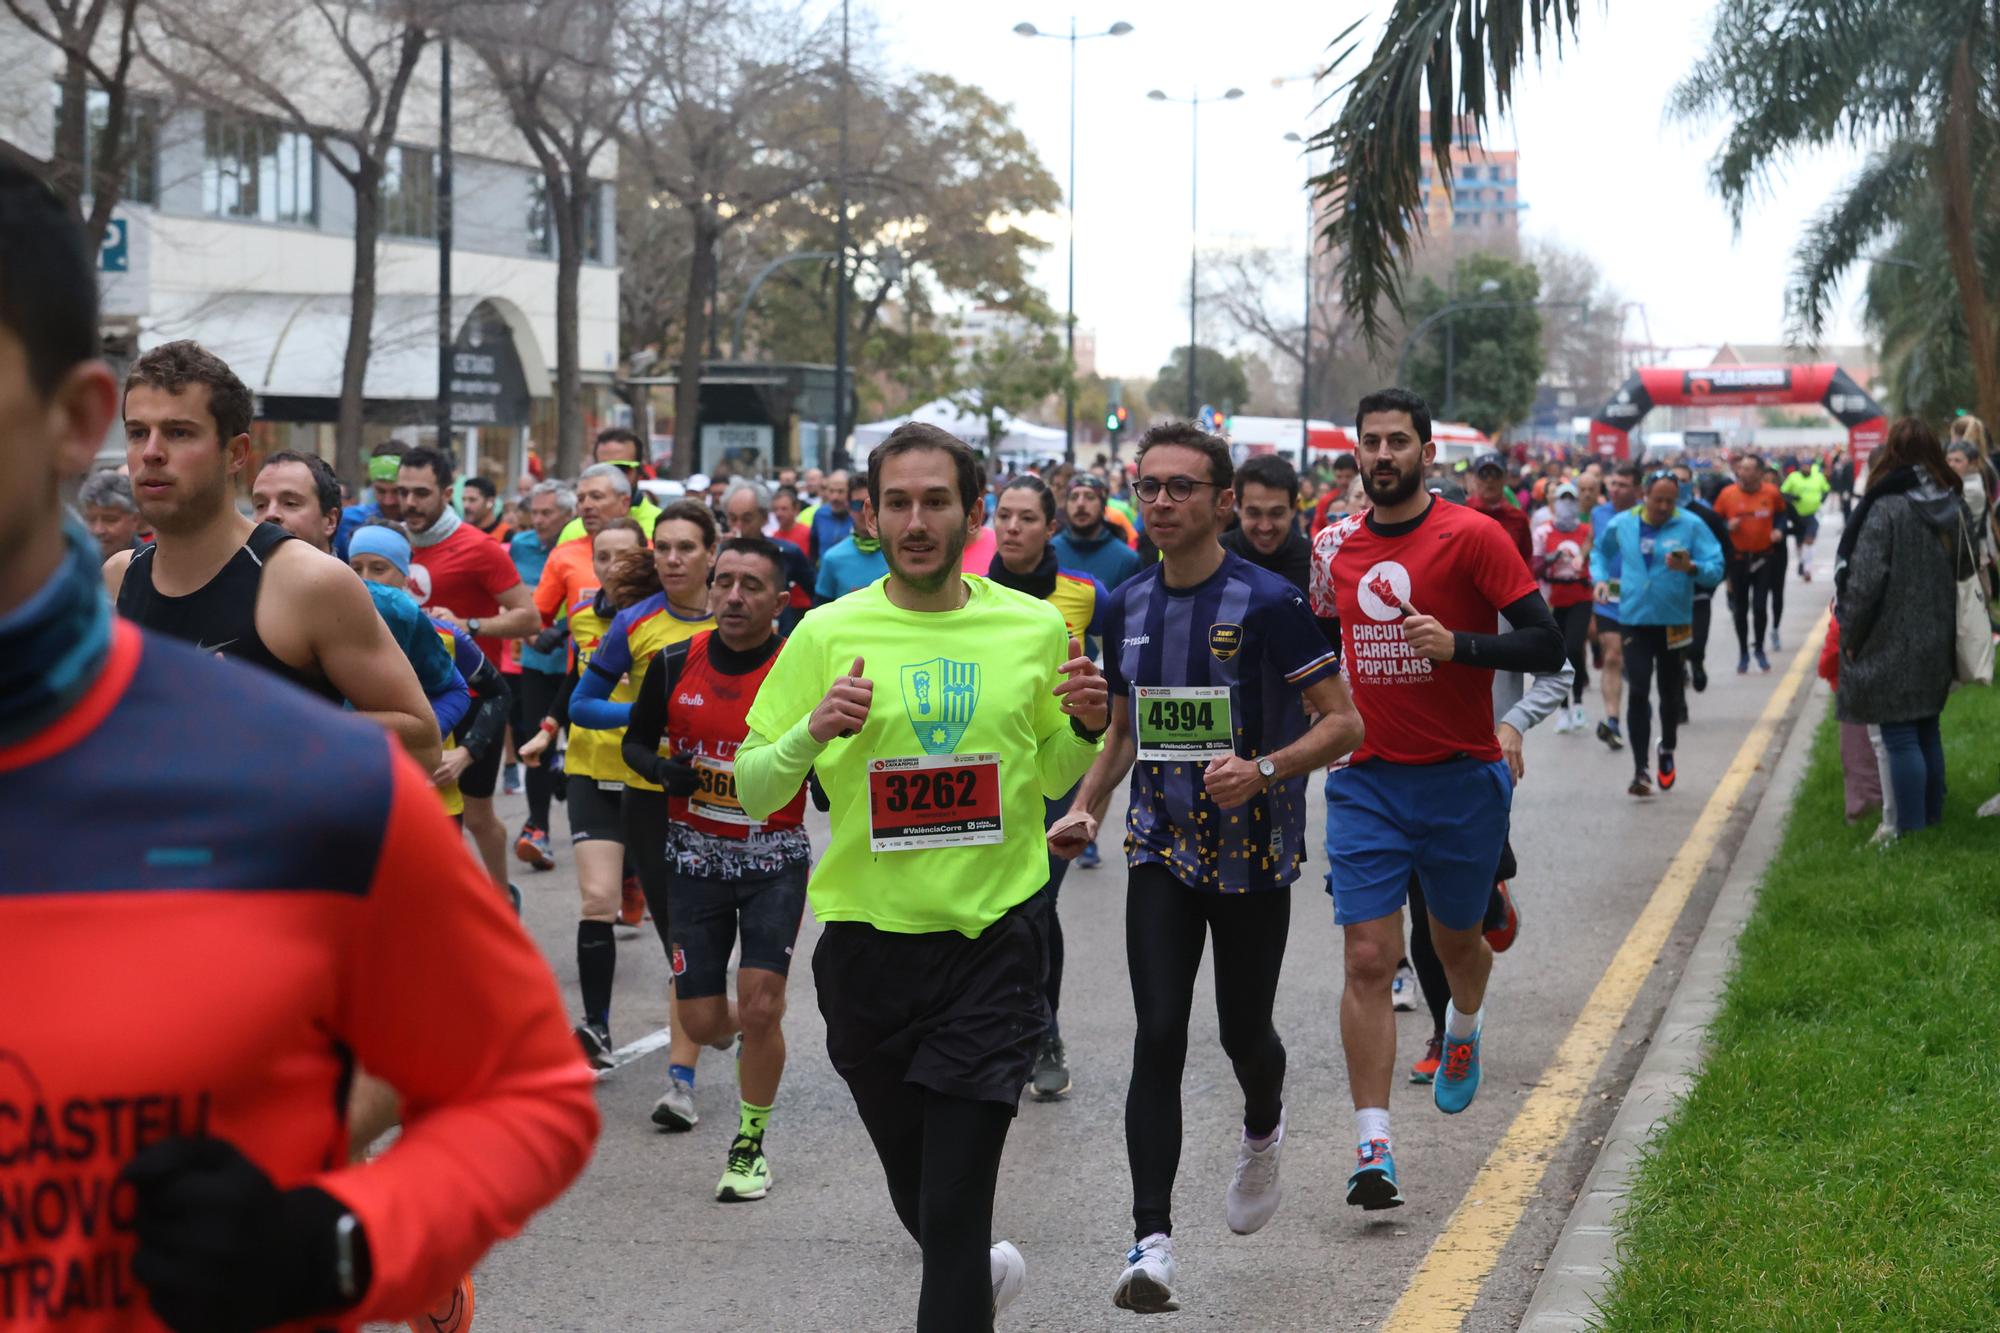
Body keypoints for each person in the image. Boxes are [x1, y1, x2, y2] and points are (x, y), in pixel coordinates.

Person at [0, 154, 596, 1333]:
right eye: (148, 432)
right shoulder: (127, 577)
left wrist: (341, 1245)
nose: (159, 452)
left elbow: (527, 1087)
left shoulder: (303, 746)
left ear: (68, 424)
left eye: (182, 432)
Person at [735, 422, 1108, 1331]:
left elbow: (1053, 769)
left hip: (992, 949)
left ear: (972, 513)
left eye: (935, 500)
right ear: (869, 516)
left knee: (951, 1218)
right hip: (868, 955)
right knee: (926, 1204)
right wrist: (812, 729)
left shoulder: (1030, 627)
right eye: (897, 501)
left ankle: (962, 1272)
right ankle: (974, 1271)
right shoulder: (827, 631)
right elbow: (754, 787)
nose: (916, 519)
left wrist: (1088, 727)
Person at [1047, 423, 1360, 1314]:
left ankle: (1264, 1120)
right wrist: (1086, 808)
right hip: (1161, 847)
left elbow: (1343, 724)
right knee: (1157, 1033)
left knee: (1242, 1035)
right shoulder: (1126, 603)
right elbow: (1124, 730)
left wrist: (1262, 767)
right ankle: (1151, 1243)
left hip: (1254, 853)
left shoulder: (1268, 601)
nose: (1161, 502)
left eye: (1182, 487)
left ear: (1223, 502)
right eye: (1148, 486)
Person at [1309, 387, 1564, 1210]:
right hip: (1365, 779)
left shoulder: (1474, 535)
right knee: (1367, 958)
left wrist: (1463, 646)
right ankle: (1373, 1145)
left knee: (1458, 947)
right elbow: (1316, 645)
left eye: (1398, 442)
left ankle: (1462, 1029)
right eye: (1370, 441)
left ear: (1426, 451)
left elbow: (1547, 642)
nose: (1383, 455)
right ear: (1357, 452)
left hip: (1462, 776)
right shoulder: (1331, 545)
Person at [105, 340, 440, 772]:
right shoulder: (118, 578)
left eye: (178, 432)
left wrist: (261, 721)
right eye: (137, 432)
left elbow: (422, 744)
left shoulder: (305, 580)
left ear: (236, 453)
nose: (151, 451)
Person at [620, 537, 811, 1201]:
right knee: (703, 1022)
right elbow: (635, 742)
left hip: (773, 860)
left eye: (751, 585)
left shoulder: (798, 669)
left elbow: (830, 750)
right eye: (724, 581)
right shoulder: (674, 663)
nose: (733, 595)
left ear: (781, 601)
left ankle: (750, 1142)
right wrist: (658, 769)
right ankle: (746, 1033)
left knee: (761, 1004)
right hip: (693, 858)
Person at [566, 499, 722, 1124]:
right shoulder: (635, 622)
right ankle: (683, 1062)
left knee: (706, 947)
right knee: (677, 939)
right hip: (652, 795)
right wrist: (646, 718)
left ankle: (693, 1052)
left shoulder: (741, 619)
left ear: (713, 553)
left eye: (688, 547)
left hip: (728, 801)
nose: (675, 559)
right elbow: (582, 703)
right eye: (664, 548)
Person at [517, 519, 659, 1067]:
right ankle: (596, 1026)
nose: (610, 566)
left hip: (651, 772)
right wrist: (548, 730)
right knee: (596, 900)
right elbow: (578, 679)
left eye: (622, 556)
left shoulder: (670, 621)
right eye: (601, 556)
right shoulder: (581, 617)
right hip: (589, 768)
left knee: (679, 913)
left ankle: (705, 1008)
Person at [989, 473, 1113, 1100]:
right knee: (992, 906)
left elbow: (1119, 683)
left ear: (1050, 527)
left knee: (1036, 901)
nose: (1012, 528)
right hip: (988, 772)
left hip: (1058, 769)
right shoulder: (970, 593)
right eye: (1003, 516)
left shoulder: (1087, 594)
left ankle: (1043, 1032)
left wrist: (1095, 785)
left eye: (1026, 518)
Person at [398, 445, 537, 888]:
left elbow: (528, 617)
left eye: (421, 493)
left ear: (446, 491)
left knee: (476, 813)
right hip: (409, 699)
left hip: (475, 699)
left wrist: (469, 625)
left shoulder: (479, 548)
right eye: (403, 492)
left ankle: (500, 900)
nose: (410, 503)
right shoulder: (391, 545)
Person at [1835, 417, 1976, 838]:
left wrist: (1851, 635)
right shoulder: (1953, 502)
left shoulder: (1885, 506)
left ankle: (1912, 832)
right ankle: (1930, 820)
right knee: (1926, 727)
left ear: (1892, 452)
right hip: (1939, 630)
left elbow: (1865, 581)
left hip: (1888, 635)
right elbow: (1968, 566)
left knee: (1899, 736)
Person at [1591, 469, 1725, 796]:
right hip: (1634, 618)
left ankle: (1667, 748)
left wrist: (1692, 567)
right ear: (1644, 496)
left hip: (1674, 620)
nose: (1664, 506)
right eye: (1658, 499)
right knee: (1638, 689)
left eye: (1670, 500)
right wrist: (1598, 578)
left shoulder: (1691, 525)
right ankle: (1640, 770)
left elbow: (1716, 566)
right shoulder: (1622, 523)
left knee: (1669, 693)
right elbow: (1599, 552)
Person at [509, 481, 575, 871]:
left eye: (547, 513)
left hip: (582, 664)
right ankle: (539, 828)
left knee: (578, 746)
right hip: (536, 661)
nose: (539, 520)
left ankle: (562, 772)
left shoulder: (583, 547)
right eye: (535, 512)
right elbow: (516, 596)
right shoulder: (521, 545)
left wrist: (562, 627)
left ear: (569, 516)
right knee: (534, 741)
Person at [536, 462, 639, 628]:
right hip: (584, 652)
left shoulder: (652, 552)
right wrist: (550, 636)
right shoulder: (563, 555)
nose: (586, 505)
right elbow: (536, 618)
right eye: (581, 499)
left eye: (596, 497)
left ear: (624, 503)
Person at [1532, 479, 1594, 732]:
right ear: (1555, 504)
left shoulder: (1586, 531)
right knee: (1560, 654)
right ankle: (1564, 709)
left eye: (1572, 500)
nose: (1567, 505)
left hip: (1580, 596)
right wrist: (1552, 558)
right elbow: (1534, 567)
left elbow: (1595, 558)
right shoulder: (1543, 532)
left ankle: (1578, 704)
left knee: (1575, 649)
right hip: (1552, 599)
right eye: (1562, 499)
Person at [1715, 454, 1784, 673]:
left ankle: (1760, 649)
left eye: (1748, 469)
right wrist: (1727, 525)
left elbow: (1782, 514)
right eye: (1741, 468)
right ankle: (1743, 651)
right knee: (1740, 608)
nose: (1743, 472)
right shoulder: (1727, 494)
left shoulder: (1771, 492)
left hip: (1764, 557)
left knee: (1761, 607)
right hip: (1738, 559)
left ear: (1759, 473)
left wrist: (1778, 529)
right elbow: (1715, 522)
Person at [1672, 460, 1734, 698]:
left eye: (1683, 481)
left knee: (1695, 645)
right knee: (1674, 652)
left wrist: (1716, 581)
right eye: (1673, 481)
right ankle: (1678, 702)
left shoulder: (1705, 516)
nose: (1678, 486)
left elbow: (1725, 551)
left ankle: (1697, 662)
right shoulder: (1658, 518)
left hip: (1699, 592)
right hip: (1669, 596)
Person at [1590, 462, 1638, 749]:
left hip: (1642, 599)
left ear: (1637, 489)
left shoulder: (1647, 515)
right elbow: (1594, 547)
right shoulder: (1599, 514)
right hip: (1609, 596)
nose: (1615, 490)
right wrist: (1598, 578)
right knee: (1612, 656)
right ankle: (1613, 721)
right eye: (1613, 484)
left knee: (1637, 664)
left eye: (1622, 485)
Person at [1221, 453, 1314, 596]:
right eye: (1254, 513)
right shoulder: (1214, 557)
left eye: (1276, 514)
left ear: (1293, 508)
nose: (1265, 527)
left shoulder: (1315, 563)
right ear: (1238, 507)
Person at [725, 479, 814, 612]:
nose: (738, 526)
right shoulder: (720, 555)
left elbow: (818, 595)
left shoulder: (785, 552)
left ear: (764, 517)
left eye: (747, 519)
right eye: (733, 518)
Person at [1053, 474, 1145, 590]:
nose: (1080, 504)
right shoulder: (1050, 552)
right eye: (1074, 497)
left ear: (1103, 506)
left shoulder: (1126, 560)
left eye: (1090, 497)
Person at [333, 443, 407, 560]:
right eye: (380, 491)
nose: (389, 501)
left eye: (397, 491)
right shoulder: (347, 521)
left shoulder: (420, 524)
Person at [813, 499, 888, 604]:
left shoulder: (901, 555)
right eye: (857, 505)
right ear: (848, 508)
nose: (864, 512)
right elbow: (820, 609)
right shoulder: (832, 557)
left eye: (873, 505)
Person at [1466, 450, 1533, 561]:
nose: (1490, 480)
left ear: (1505, 478)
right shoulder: (1464, 513)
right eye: (1484, 474)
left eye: (1495, 474)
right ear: (1475, 479)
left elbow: (1525, 559)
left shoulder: (1518, 518)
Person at [770, 483, 815, 632]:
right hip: (785, 605)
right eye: (776, 509)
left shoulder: (808, 533)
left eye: (784, 509)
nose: (779, 513)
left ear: (795, 509)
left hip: (806, 602)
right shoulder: (773, 538)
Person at [1780, 457, 1830, 579]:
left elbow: (1826, 489)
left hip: (1813, 513)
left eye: (1807, 466)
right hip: (1797, 516)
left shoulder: (1818, 477)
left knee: (1809, 540)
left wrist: (1822, 499)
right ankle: (1802, 562)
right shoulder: (1793, 477)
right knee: (1799, 543)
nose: (1805, 468)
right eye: (1803, 466)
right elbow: (1782, 492)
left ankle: (1807, 568)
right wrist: (1792, 498)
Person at [79, 467, 143, 560]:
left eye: (110, 520)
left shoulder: (150, 566)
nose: (98, 530)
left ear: (135, 520)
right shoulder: (72, 566)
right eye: (91, 520)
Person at [807, 468, 856, 562]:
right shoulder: (820, 515)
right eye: (831, 491)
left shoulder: (859, 516)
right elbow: (813, 553)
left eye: (840, 491)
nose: (835, 497)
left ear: (850, 492)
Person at [460, 474, 513, 545]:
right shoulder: (461, 534)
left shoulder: (507, 536)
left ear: (490, 502)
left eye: (472, 500)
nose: (465, 505)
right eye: (464, 500)